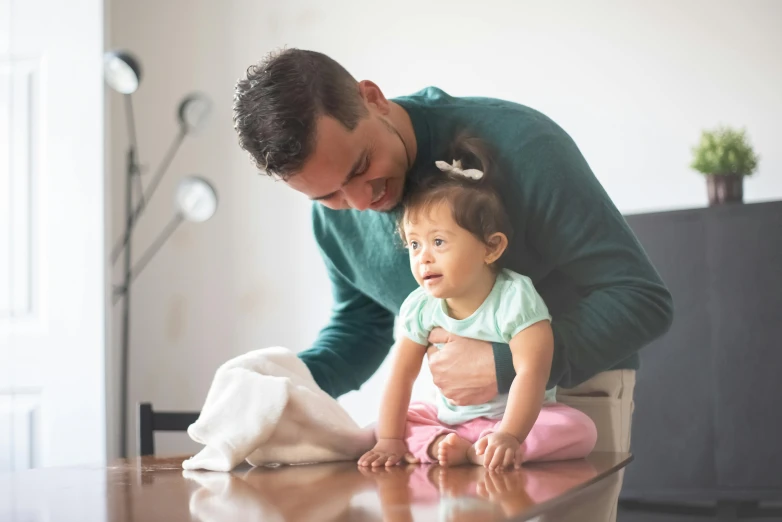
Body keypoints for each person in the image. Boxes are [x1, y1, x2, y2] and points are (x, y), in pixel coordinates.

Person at [232, 48, 672, 471]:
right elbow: (360, 328)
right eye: (328, 195)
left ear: (373, 99)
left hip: (568, 397)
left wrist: (508, 366)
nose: (361, 201)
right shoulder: (333, 221)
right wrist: (281, 385)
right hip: (451, 423)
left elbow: (640, 297)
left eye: (361, 166)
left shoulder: (525, 145)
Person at [357, 135, 597, 469]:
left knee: (579, 429)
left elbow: (532, 371)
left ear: (491, 247)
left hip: (514, 419)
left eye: (438, 241)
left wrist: (510, 435)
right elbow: (400, 378)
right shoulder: (420, 306)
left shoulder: (515, 297)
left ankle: (490, 450)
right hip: (449, 419)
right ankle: (448, 445)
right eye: (414, 245)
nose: (423, 258)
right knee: (388, 427)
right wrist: (389, 441)